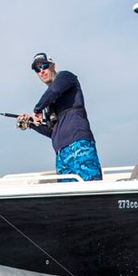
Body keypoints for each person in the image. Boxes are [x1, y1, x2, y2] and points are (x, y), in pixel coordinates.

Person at [17, 52, 103, 181]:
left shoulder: (66, 77)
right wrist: (30, 123)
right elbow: (53, 132)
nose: (41, 71)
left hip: (79, 146)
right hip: (61, 154)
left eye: (44, 66)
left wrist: (37, 110)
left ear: (53, 65)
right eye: (37, 69)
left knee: (90, 187)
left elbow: (54, 90)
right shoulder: (49, 102)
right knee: (68, 198)